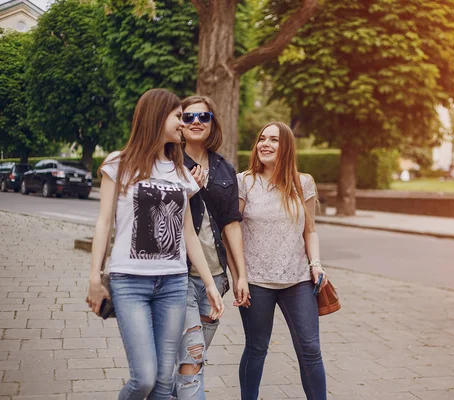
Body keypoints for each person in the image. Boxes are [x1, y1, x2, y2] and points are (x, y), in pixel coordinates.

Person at [86, 88, 224, 400]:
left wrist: (210, 284)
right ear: (157, 116)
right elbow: (104, 223)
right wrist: (95, 277)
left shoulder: (180, 172)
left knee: (165, 382)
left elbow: (187, 234)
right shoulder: (117, 164)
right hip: (129, 282)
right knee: (145, 378)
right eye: (179, 116)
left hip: (174, 283)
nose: (184, 123)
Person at [236, 121, 328, 400]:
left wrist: (316, 264)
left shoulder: (304, 183)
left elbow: (309, 230)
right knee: (256, 347)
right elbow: (234, 231)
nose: (265, 144)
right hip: (257, 280)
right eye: (262, 139)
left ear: (286, 146)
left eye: (273, 140)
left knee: (310, 349)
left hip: (298, 279)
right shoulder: (245, 181)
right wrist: (239, 275)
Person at [174, 95, 250, 399]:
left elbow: (232, 223)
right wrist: (188, 190)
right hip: (178, 275)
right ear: (179, 123)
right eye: (188, 116)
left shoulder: (224, 168)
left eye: (203, 117)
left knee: (193, 357)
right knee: (192, 356)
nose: (195, 122)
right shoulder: (169, 162)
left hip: (215, 279)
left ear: (212, 123)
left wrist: (240, 275)